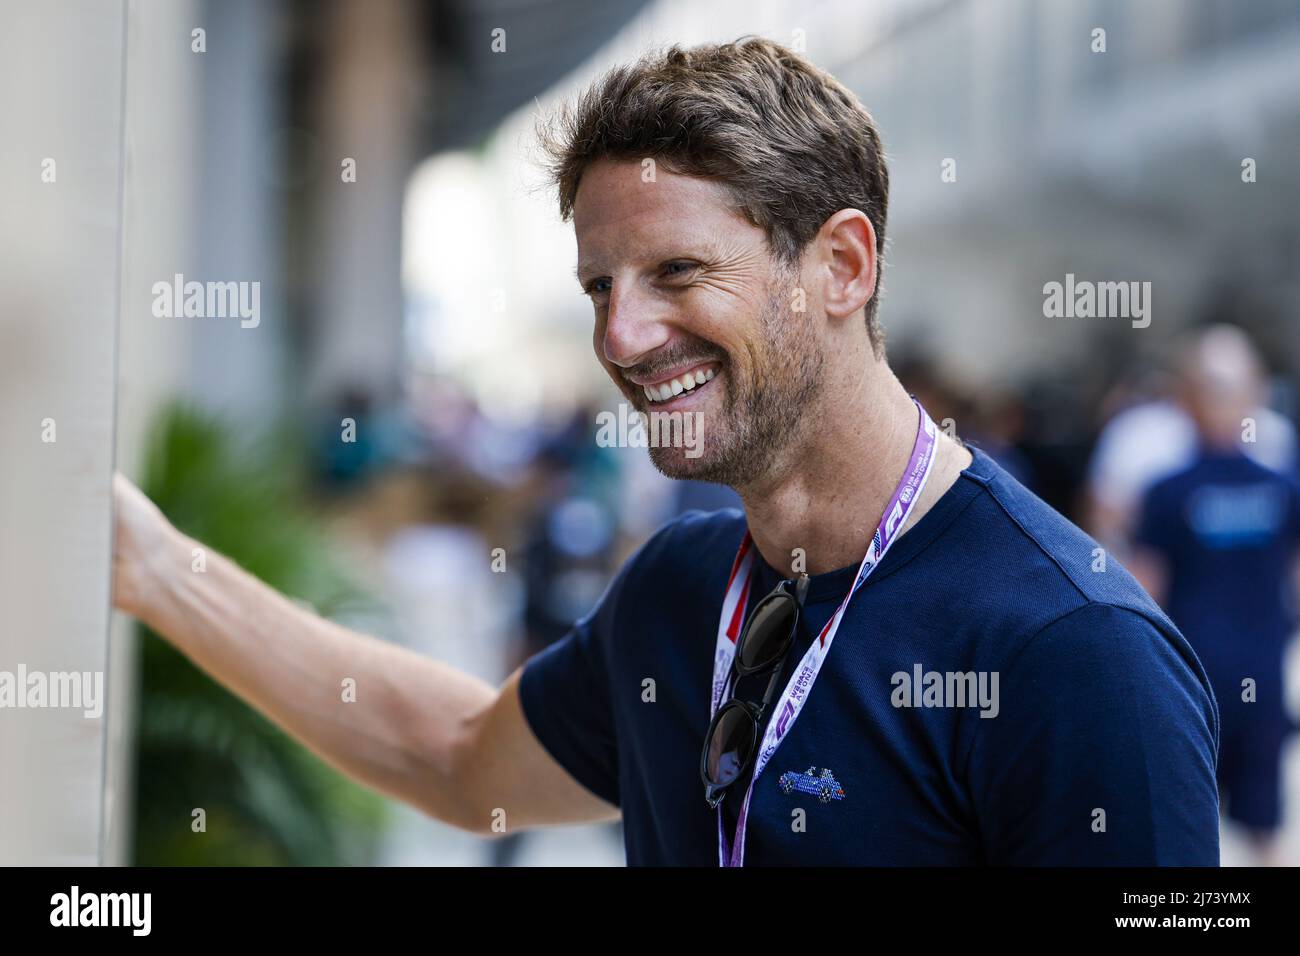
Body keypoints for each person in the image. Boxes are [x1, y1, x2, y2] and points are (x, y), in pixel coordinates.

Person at [113, 38, 1219, 865]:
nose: (620, 335)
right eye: (600, 285)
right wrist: (155, 568)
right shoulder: (681, 590)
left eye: (677, 274)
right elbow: (452, 752)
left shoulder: (1077, 651)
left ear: (841, 265)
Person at [1130, 325, 1300, 866]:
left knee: (1188, 830)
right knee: (1261, 827)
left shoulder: (1166, 491)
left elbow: (1143, 598)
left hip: (1190, 685)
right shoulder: (1281, 487)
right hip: (1247, 681)